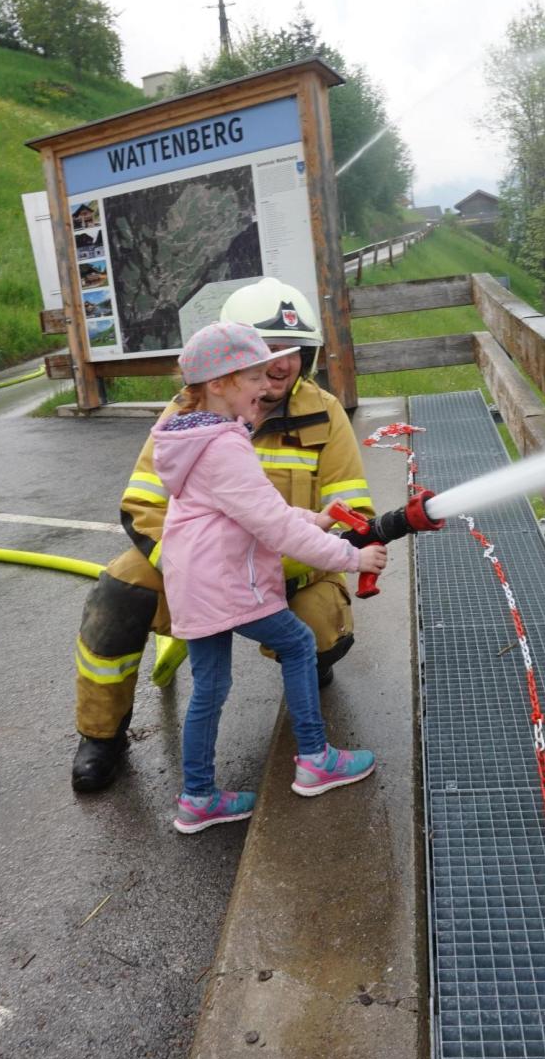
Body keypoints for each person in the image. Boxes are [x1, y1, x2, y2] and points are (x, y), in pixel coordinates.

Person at [72, 276, 374, 793]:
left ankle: (204, 790)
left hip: (293, 571)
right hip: (206, 572)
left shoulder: (324, 414)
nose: (282, 363)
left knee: (314, 632)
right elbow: (142, 507)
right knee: (118, 591)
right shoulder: (188, 416)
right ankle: (101, 735)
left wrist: (287, 564)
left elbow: (353, 510)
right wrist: (203, 575)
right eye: (270, 349)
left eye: (296, 349)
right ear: (226, 372)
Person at [152, 321, 387, 833]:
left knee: (210, 687)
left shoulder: (192, 438)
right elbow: (273, 526)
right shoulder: (225, 447)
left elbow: (252, 511)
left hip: (194, 584)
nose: (266, 385)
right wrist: (353, 558)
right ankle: (315, 759)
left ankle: (197, 798)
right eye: (254, 375)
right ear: (219, 383)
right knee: (300, 643)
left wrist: (318, 519)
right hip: (226, 582)